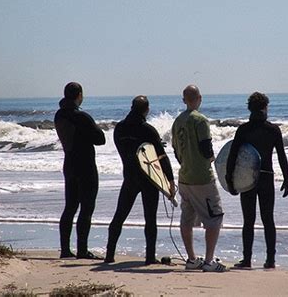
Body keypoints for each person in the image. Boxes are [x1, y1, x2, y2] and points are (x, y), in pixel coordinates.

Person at [105, 96, 175, 264]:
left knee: (119, 215)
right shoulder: (148, 130)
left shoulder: (119, 129)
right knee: (150, 218)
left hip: (129, 177)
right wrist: (170, 180)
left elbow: (125, 151)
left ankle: (109, 255)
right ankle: (149, 257)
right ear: (147, 109)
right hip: (148, 178)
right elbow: (161, 156)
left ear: (132, 107)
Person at [226, 92, 288, 269]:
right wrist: (287, 177)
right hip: (266, 177)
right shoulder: (273, 130)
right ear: (265, 107)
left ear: (250, 108)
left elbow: (233, 156)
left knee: (249, 220)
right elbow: (281, 156)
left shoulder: (244, 130)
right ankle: (270, 260)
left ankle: (247, 260)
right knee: (268, 219)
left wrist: (229, 179)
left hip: (247, 179)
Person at [171, 85, 227, 272]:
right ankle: (209, 261)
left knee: (187, 217)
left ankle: (192, 259)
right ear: (200, 98)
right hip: (202, 177)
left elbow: (176, 150)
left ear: (183, 99)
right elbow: (206, 148)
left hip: (184, 177)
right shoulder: (200, 120)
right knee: (214, 217)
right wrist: (212, 159)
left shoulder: (177, 121)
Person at [54, 82, 106, 259]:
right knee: (86, 208)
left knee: (70, 207)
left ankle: (65, 249)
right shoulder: (81, 116)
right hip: (85, 165)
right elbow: (100, 139)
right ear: (79, 95)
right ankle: (82, 250)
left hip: (69, 163)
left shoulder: (59, 115)